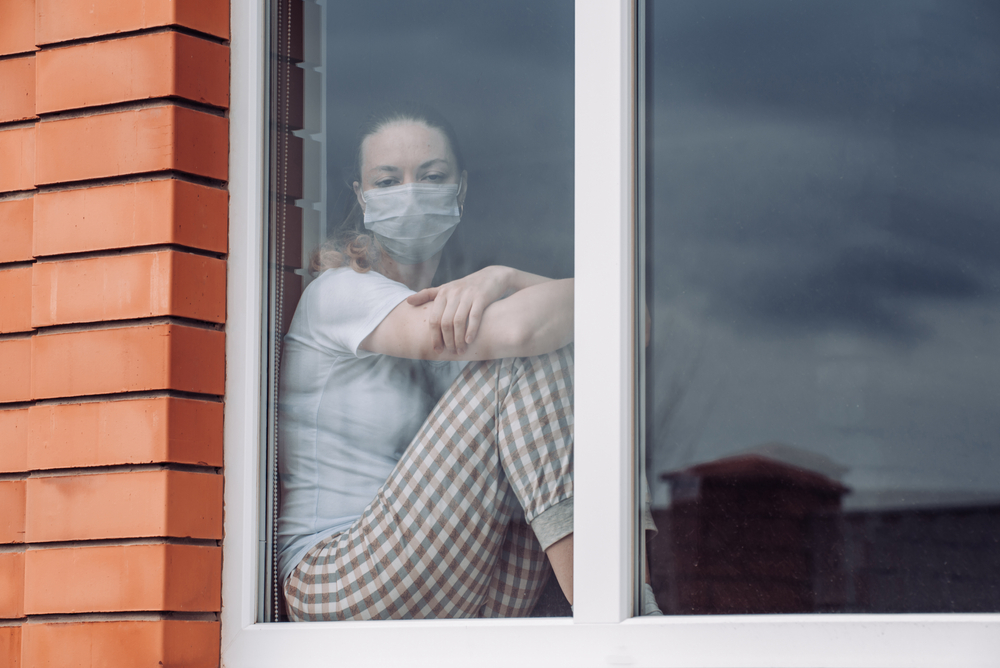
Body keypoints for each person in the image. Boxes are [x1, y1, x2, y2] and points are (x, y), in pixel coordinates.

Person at [277, 105, 579, 621]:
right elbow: (520, 332)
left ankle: (618, 604)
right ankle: (619, 614)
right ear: (362, 197)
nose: (411, 193)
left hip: (456, 565)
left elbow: (626, 322)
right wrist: (503, 281)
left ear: (460, 189)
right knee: (528, 356)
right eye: (388, 181)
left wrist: (502, 277)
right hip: (336, 573)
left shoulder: (463, 304)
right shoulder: (341, 293)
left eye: (432, 176)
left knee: (575, 348)